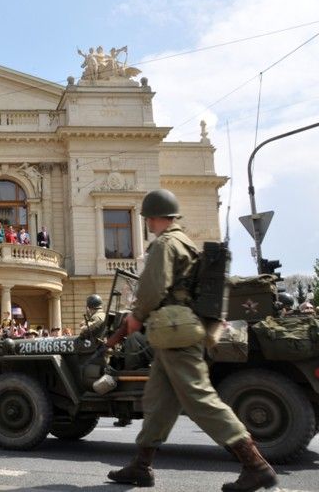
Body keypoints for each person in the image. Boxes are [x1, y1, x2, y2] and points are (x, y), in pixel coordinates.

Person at [107, 189, 277, 491]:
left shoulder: (165, 243)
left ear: (153, 217)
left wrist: (136, 316)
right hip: (174, 332)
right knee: (158, 402)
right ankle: (141, 466)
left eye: (147, 218)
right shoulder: (184, 241)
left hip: (176, 332)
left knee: (200, 399)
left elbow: (153, 287)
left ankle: (256, 466)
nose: (147, 222)